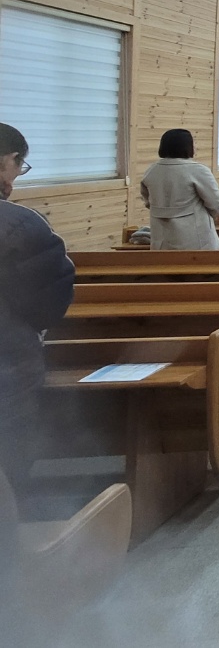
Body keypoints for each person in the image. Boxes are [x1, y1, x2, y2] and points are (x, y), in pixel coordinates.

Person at [0, 124, 76, 498]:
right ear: (8, 160)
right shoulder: (18, 224)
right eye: (20, 165)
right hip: (8, 361)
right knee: (9, 455)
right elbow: (49, 299)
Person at [141, 128, 219, 250]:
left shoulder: (151, 171)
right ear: (188, 146)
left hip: (161, 239)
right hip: (196, 240)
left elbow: (148, 201)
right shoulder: (198, 170)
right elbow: (215, 203)